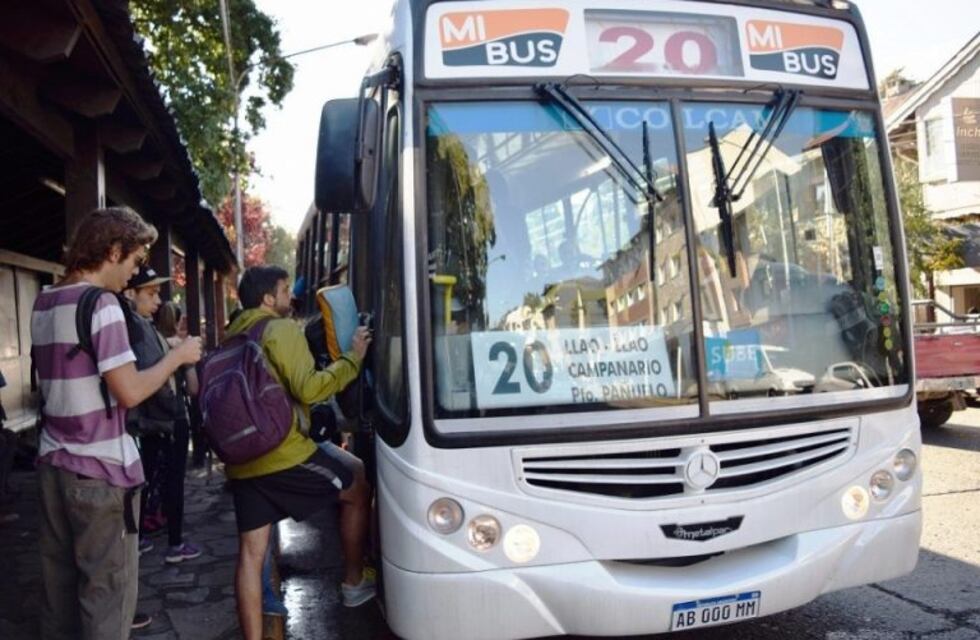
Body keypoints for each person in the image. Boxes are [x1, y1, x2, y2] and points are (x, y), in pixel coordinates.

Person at [30, 207, 202, 640]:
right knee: (107, 597)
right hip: (100, 472)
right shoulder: (103, 305)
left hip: (53, 465)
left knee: (60, 594)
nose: (133, 272)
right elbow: (129, 391)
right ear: (111, 251)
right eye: (132, 260)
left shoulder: (45, 301)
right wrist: (177, 357)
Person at [224, 265, 373, 639]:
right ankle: (355, 583)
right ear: (267, 298)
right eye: (285, 289)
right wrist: (353, 359)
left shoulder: (232, 333)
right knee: (356, 482)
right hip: (283, 453)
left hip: (242, 461)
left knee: (250, 555)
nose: (291, 296)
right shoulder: (280, 329)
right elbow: (309, 390)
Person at [124, 273, 203, 564]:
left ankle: (140, 537)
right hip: (166, 420)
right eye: (151, 294)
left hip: (147, 422)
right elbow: (157, 379)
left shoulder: (139, 326)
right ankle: (175, 543)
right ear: (131, 293)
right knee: (173, 482)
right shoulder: (141, 329)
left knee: (145, 479)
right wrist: (173, 410)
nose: (158, 300)